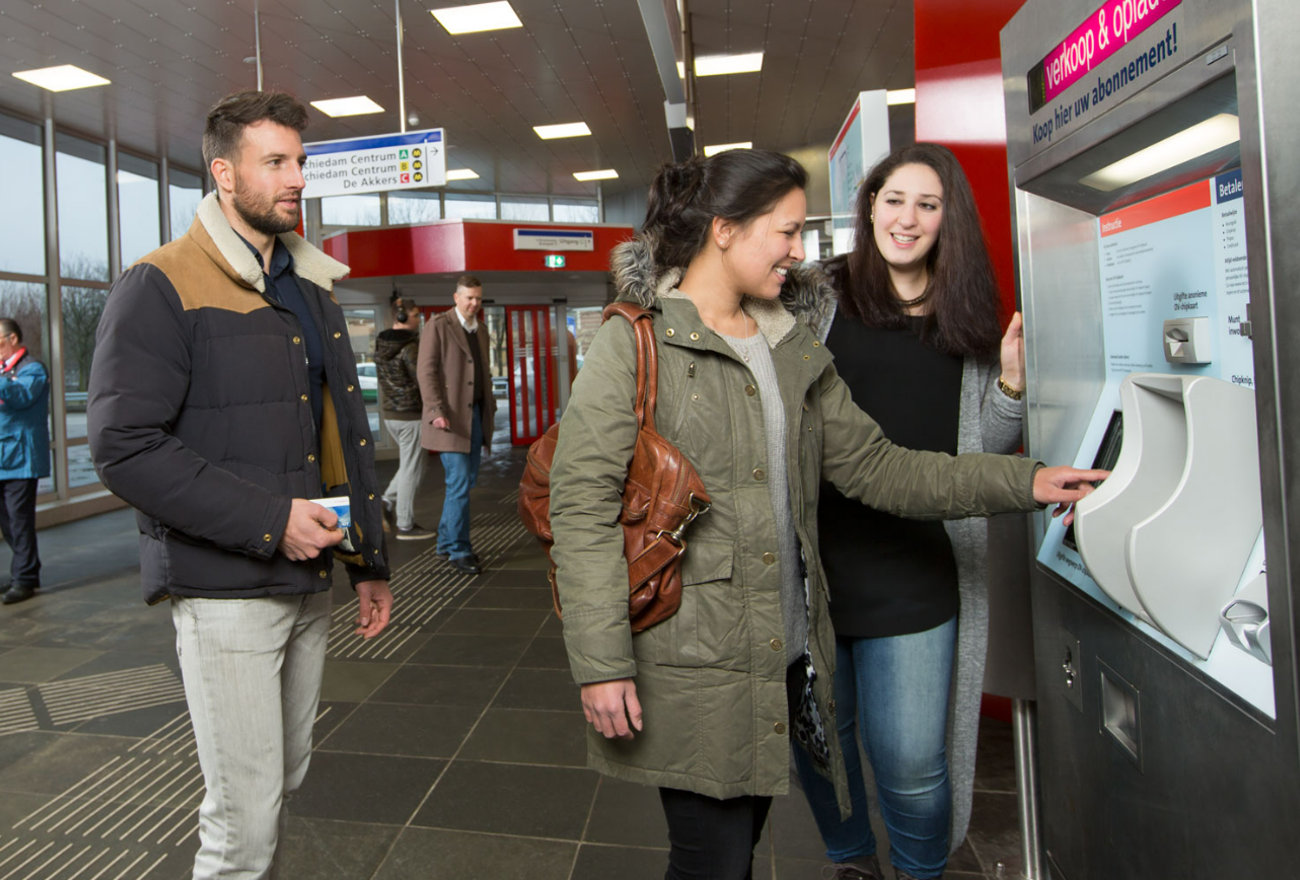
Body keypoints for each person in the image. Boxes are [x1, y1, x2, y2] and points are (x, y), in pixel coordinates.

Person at [545, 148, 1104, 880]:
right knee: (712, 860)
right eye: (786, 231)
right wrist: (601, 663)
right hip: (691, 658)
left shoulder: (789, 346)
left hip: (776, 655)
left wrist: (1027, 481)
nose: (798, 251)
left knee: (731, 854)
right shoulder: (635, 341)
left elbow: (880, 467)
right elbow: (581, 507)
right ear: (725, 230)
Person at [86, 89, 393, 880]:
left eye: (301, 161)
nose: (298, 178)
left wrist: (368, 559)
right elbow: (123, 446)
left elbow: (340, 432)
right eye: (276, 162)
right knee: (243, 823)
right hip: (225, 588)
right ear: (224, 174)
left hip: (308, 578)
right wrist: (271, 520)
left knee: (279, 786)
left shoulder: (307, 286)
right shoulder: (159, 283)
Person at [793, 142, 1026, 880]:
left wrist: (1011, 387)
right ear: (870, 207)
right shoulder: (817, 298)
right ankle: (853, 861)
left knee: (913, 762)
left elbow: (982, 450)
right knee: (821, 747)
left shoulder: (966, 312)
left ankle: (922, 872)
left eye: (928, 204)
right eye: (894, 200)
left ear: (948, 218)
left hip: (919, 570)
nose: (908, 218)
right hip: (815, 571)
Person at [417, 275, 496, 575]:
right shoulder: (438, 326)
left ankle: (444, 543)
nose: (474, 303)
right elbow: (426, 372)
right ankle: (459, 550)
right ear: (456, 297)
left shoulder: (482, 330)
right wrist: (435, 410)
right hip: (449, 420)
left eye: (478, 298)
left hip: (475, 416)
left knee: (465, 482)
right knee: (460, 483)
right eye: (469, 298)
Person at [0, 318, 50, 606]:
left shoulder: (33, 369)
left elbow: (20, 397)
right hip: (4, 458)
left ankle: (25, 577)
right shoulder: (5, 372)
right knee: (7, 521)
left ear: (13, 339)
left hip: (22, 459)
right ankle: (26, 570)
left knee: (19, 520)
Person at [375, 295, 433, 540]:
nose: (419, 319)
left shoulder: (381, 344)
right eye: (415, 315)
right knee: (412, 469)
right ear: (402, 316)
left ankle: (386, 501)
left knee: (411, 464)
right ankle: (405, 525)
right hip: (410, 415)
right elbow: (423, 379)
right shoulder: (410, 346)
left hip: (391, 416)